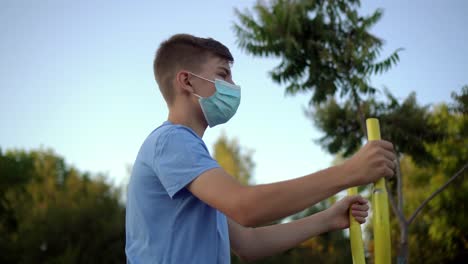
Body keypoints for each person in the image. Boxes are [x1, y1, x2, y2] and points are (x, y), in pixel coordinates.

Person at [125, 34, 396, 263]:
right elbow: (246, 207)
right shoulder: (172, 141)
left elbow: (249, 243)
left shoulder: (191, 163)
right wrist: (350, 172)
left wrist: (327, 219)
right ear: (186, 81)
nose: (233, 86)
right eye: (223, 74)